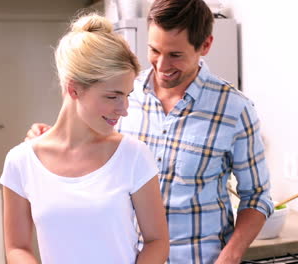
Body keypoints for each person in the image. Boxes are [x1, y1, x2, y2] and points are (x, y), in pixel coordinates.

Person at [27, 0, 274, 263]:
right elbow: (87, 147)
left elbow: (257, 195)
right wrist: (52, 136)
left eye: (175, 55)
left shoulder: (234, 108)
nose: (162, 65)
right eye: (154, 50)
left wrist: (230, 255)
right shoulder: (123, 95)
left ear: (205, 45)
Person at [1, 13, 169, 264]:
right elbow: (17, 247)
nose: (123, 109)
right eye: (112, 97)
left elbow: (157, 241)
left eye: (126, 95)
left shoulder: (133, 155)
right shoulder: (21, 161)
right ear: (74, 89)